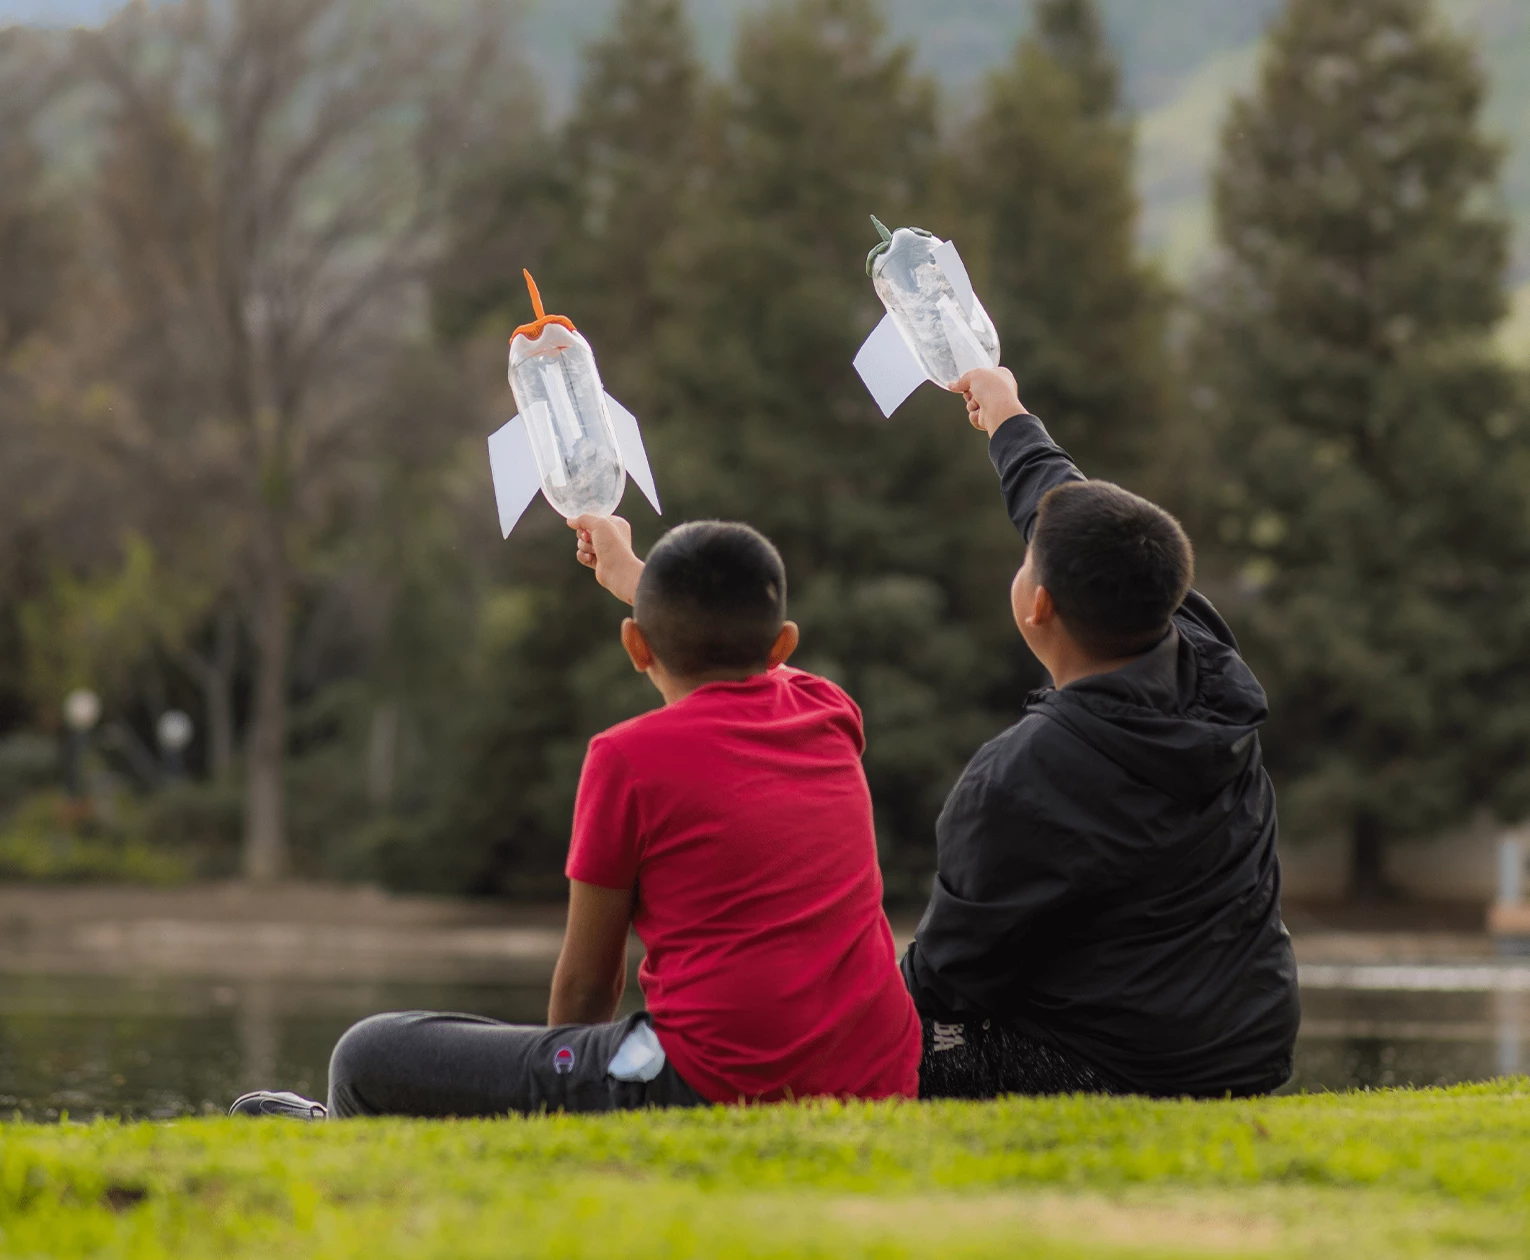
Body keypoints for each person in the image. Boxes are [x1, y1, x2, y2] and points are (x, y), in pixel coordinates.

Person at [232, 517, 920, 1119]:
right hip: (873, 1077)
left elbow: (591, 981)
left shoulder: (627, 757)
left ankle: (342, 1133)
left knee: (368, 1054)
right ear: (784, 645)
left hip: (712, 1084)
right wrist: (632, 574)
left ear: (634, 647)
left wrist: (555, 1093)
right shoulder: (829, 711)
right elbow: (743, 650)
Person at [902, 366, 1300, 1100]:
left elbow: (951, 976)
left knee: (907, 1029)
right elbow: (1072, 521)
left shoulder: (1015, 776)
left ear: (1038, 606)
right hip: (1248, 1054)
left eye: (1028, 560)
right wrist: (1009, 416)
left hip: (1105, 1070)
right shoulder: (1209, 661)